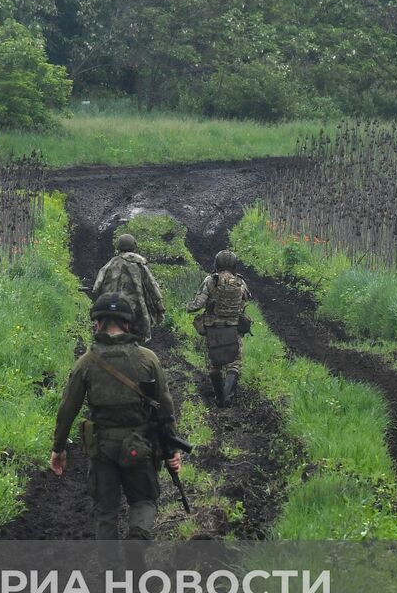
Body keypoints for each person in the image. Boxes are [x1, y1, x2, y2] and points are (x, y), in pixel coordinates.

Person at [51, 293, 183, 541]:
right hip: (140, 445)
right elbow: (165, 407)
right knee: (143, 501)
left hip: (102, 448)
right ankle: (137, 537)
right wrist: (172, 449)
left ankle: (109, 574)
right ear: (127, 323)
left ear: (97, 323)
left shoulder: (86, 363)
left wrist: (58, 449)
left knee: (106, 512)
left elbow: (67, 410)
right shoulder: (148, 359)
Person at [186, 249, 253, 407]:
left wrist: (188, 306)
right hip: (234, 327)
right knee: (235, 363)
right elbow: (247, 297)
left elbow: (198, 304)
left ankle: (219, 396)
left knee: (214, 363)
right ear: (234, 265)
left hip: (213, 328)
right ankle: (226, 395)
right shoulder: (240, 282)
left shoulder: (210, 280)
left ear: (217, 263)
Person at [91, 232, 165, 343]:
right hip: (135, 311)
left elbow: (97, 287)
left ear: (119, 247)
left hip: (111, 308)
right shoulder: (140, 264)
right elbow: (152, 288)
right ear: (134, 246)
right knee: (136, 340)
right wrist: (159, 308)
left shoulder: (111, 264)